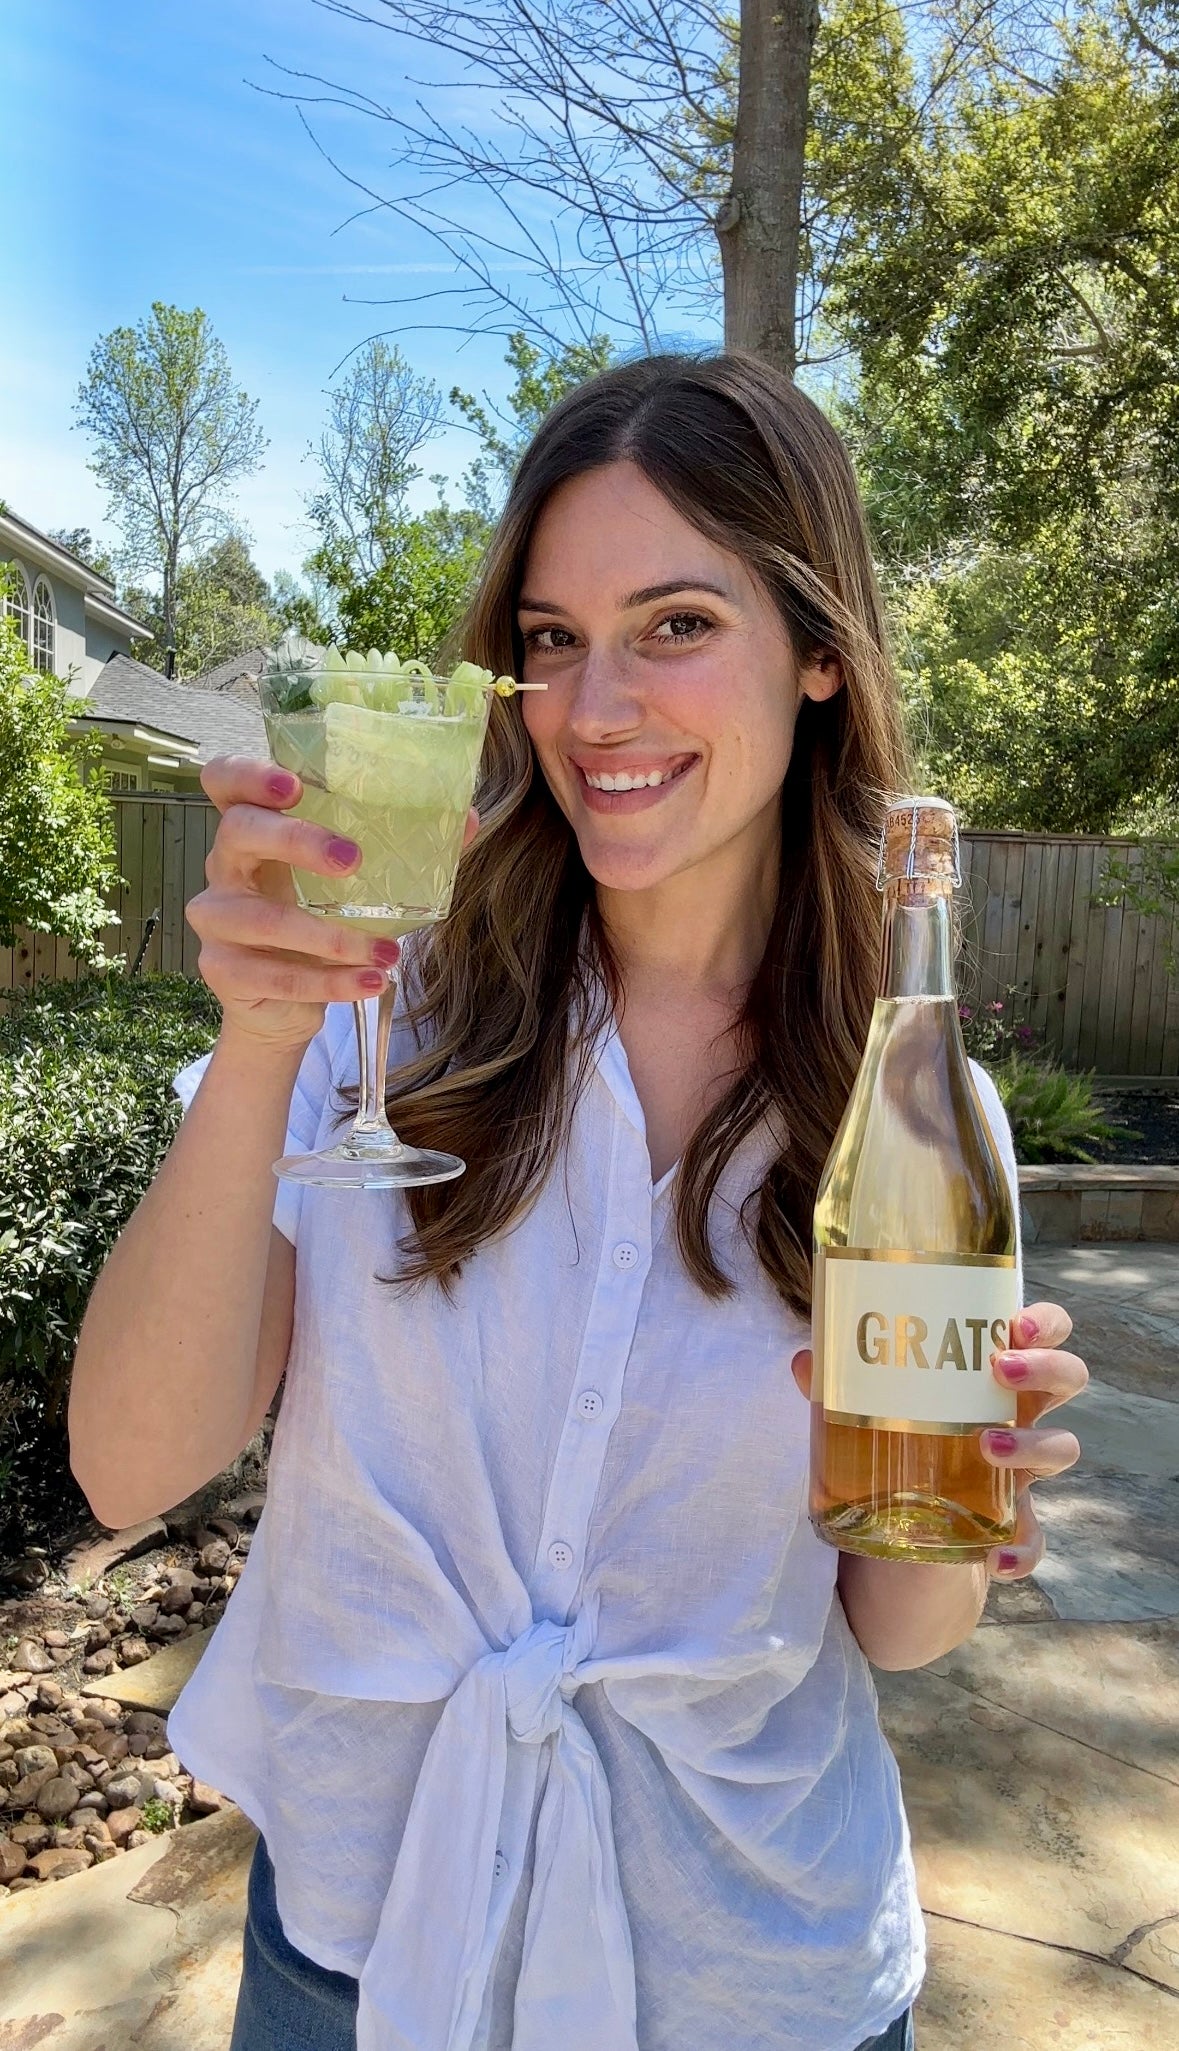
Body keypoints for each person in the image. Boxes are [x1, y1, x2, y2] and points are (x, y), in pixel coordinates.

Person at [69, 352, 1087, 2051]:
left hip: (751, 1966)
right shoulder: (374, 1025)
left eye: (676, 624)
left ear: (823, 655)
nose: (594, 707)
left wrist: (955, 1496)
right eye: (552, 640)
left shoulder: (916, 1118)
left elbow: (902, 1634)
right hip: (364, 1945)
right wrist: (259, 1042)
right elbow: (126, 1462)